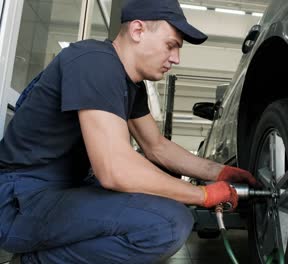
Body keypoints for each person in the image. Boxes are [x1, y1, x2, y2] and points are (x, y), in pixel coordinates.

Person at [0, 0, 257, 263]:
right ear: (137, 31)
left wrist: (220, 172)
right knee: (168, 224)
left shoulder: (130, 84)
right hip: (20, 202)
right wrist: (201, 195)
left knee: (160, 199)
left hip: (59, 189)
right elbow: (114, 169)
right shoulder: (95, 63)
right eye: (171, 45)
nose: (176, 59)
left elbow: (157, 146)